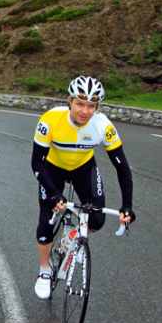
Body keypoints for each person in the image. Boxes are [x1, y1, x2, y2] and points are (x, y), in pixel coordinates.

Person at [31, 75, 135, 299]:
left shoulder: (103, 125)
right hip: (53, 168)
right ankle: (44, 270)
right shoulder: (50, 120)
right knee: (46, 221)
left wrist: (127, 205)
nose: (85, 111)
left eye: (91, 106)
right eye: (80, 103)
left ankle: (72, 234)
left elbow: (123, 168)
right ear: (70, 101)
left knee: (97, 219)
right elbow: (36, 163)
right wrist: (53, 194)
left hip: (83, 167)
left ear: (97, 107)